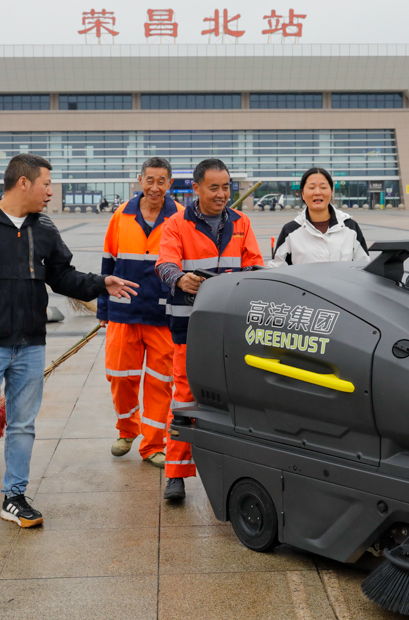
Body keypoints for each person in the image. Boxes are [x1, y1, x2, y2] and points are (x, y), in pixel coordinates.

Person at [0, 153, 137, 528]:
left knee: (22, 424)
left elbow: (62, 276)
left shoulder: (43, 227)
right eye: (46, 184)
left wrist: (100, 283)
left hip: (30, 343)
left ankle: (14, 496)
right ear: (23, 182)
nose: (50, 192)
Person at [155, 158, 264, 501]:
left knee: (235, 400)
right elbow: (164, 263)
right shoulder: (176, 224)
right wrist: (179, 278)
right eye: (213, 187)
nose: (221, 194)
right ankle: (176, 475)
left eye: (226, 187)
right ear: (196, 188)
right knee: (185, 398)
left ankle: (234, 473)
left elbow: (255, 265)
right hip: (190, 329)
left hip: (231, 329)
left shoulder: (241, 222)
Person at [98, 157, 183, 466]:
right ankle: (127, 430)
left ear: (170, 183)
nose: (155, 187)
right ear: (140, 180)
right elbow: (108, 262)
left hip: (163, 315)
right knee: (119, 375)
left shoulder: (180, 217)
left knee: (161, 381)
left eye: (161, 181)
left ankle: (154, 445)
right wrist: (103, 308)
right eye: (150, 180)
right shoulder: (121, 215)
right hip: (124, 311)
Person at [269, 167, 369, 268]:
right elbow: (277, 269)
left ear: (331, 191)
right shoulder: (290, 231)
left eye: (323, 187)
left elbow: (363, 266)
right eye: (311, 188)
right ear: (302, 194)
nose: (317, 192)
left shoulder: (350, 227)